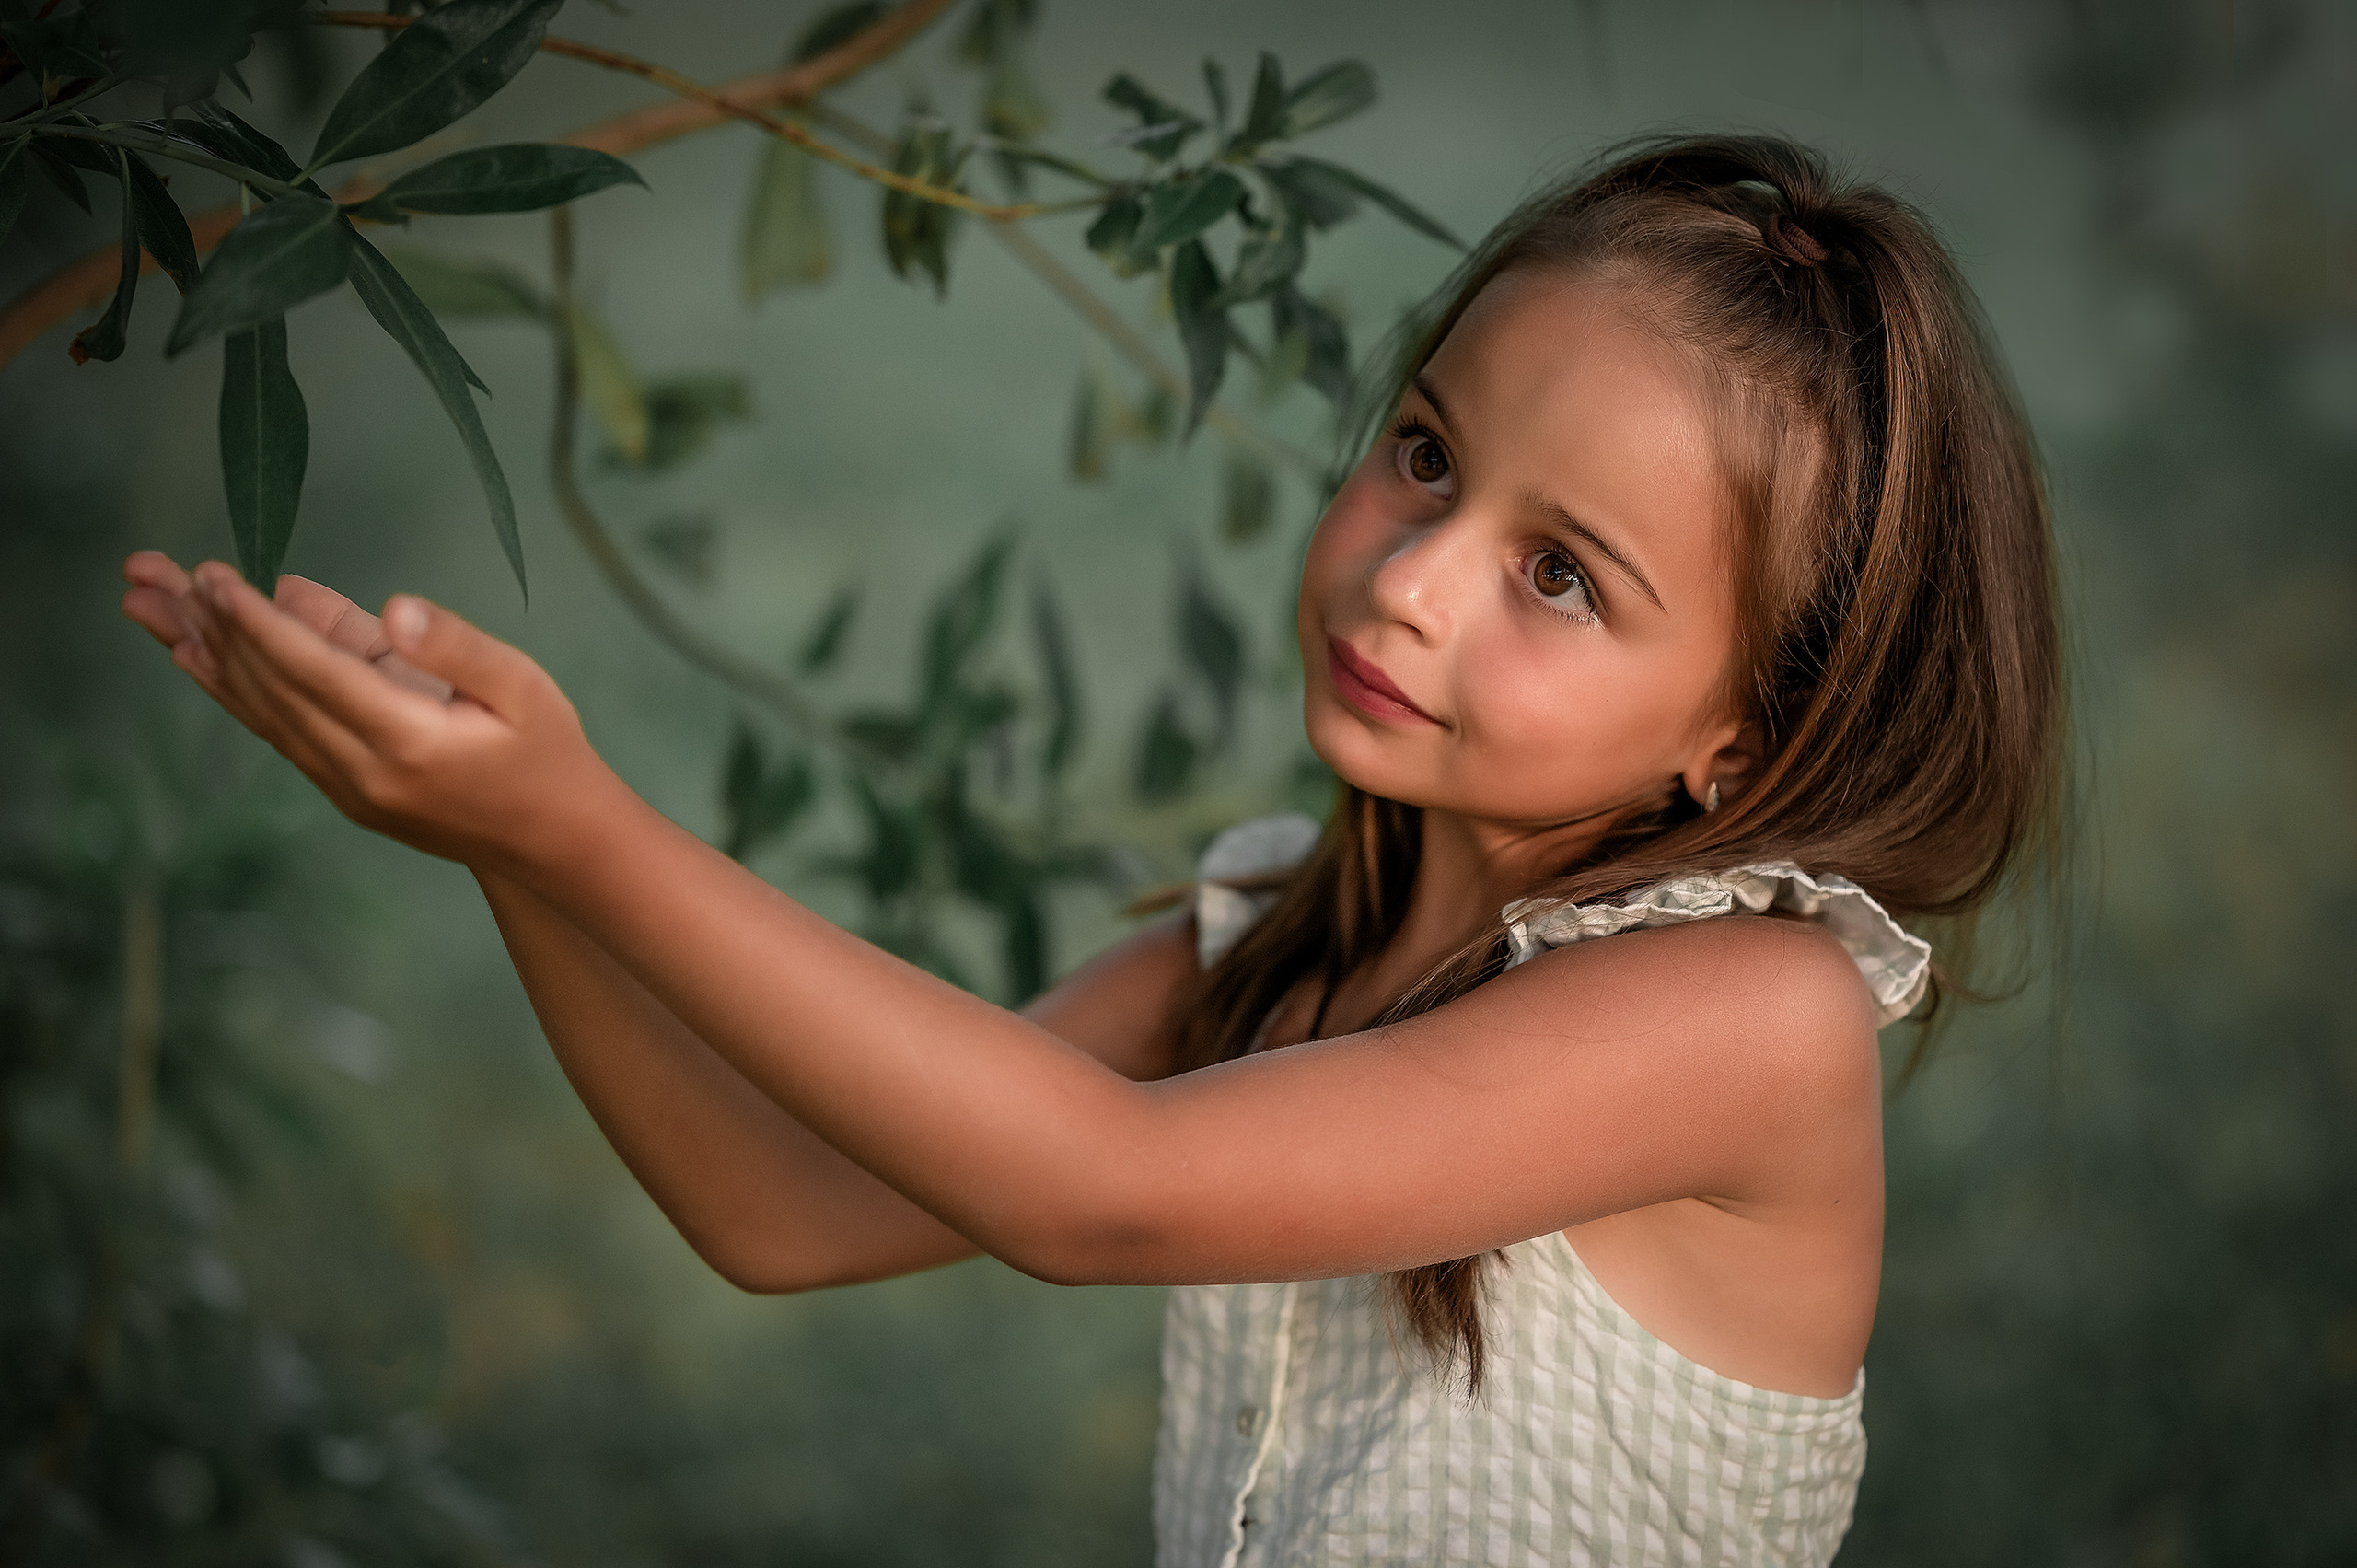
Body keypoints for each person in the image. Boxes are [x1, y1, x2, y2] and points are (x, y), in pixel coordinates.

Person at [122, 133, 2062, 1567]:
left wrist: (583, 822)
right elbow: (778, 1214)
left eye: (1559, 573)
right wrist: (502, 840)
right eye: (1424, 455)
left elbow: (1096, 1195)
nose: (1405, 581)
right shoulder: (1266, 951)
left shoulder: (1750, 1017)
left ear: (1752, 728)